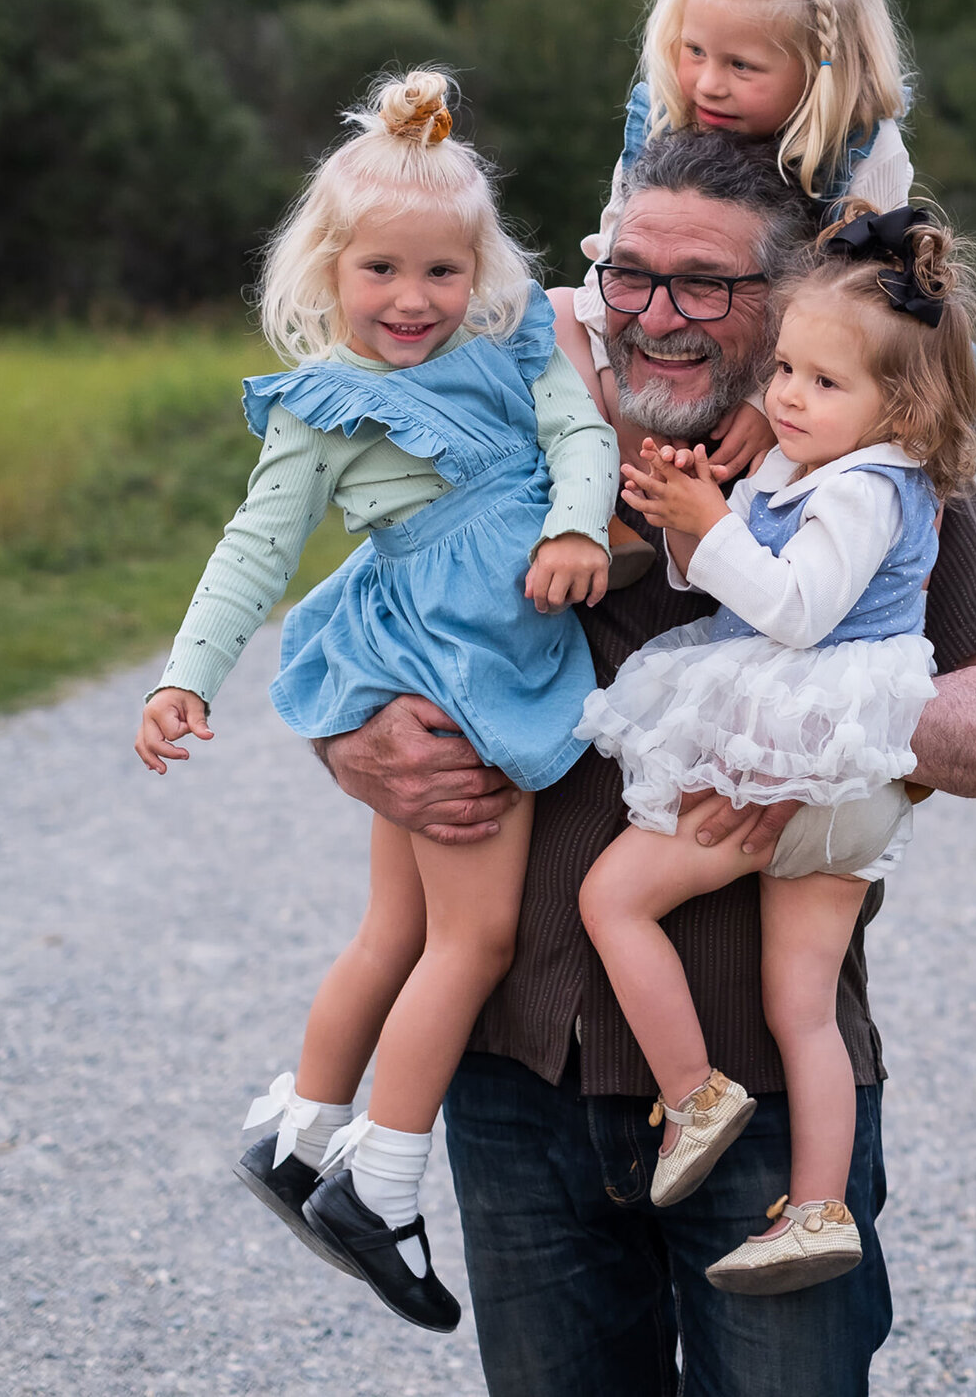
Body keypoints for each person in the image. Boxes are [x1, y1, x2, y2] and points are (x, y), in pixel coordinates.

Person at [317, 127, 976, 1396]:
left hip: (770, 1091)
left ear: (779, 298)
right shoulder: (505, 437)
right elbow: (355, 637)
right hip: (516, 1083)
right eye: (631, 276)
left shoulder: (861, 451)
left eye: (705, 285)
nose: (657, 314)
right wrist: (356, 742)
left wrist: (826, 715)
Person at [133, 70, 618, 1333]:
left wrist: (576, 525)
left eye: (440, 274)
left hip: (487, 626)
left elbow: (583, 436)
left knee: (395, 929)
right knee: (478, 937)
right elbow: (254, 547)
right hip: (451, 664)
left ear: (482, 268)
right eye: (381, 273)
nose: (411, 302)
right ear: (329, 272)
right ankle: (383, 1181)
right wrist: (189, 672)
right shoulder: (325, 402)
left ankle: (301, 1132)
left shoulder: (515, 340)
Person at [574, 202, 976, 1296]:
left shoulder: (864, 486)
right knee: (799, 1004)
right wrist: (686, 511)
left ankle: (695, 1090)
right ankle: (816, 1208)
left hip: (809, 742)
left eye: (822, 381)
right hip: (846, 768)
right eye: (788, 370)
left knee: (614, 899)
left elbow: (793, 607)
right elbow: (701, 573)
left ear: (901, 406)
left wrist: (712, 529)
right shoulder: (814, 466)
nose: (789, 396)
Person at [557, 0, 970, 492]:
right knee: (553, 312)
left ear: (819, 72)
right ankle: (610, 468)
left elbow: (866, 300)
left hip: (806, 352)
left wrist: (763, 401)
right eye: (694, 51)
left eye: (741, 66)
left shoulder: (860, 151)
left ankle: (906, 510)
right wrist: (621, 389)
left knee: (941, 364)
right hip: (674, 341)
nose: (707, 82)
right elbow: (619, 256)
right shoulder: (661, 118)